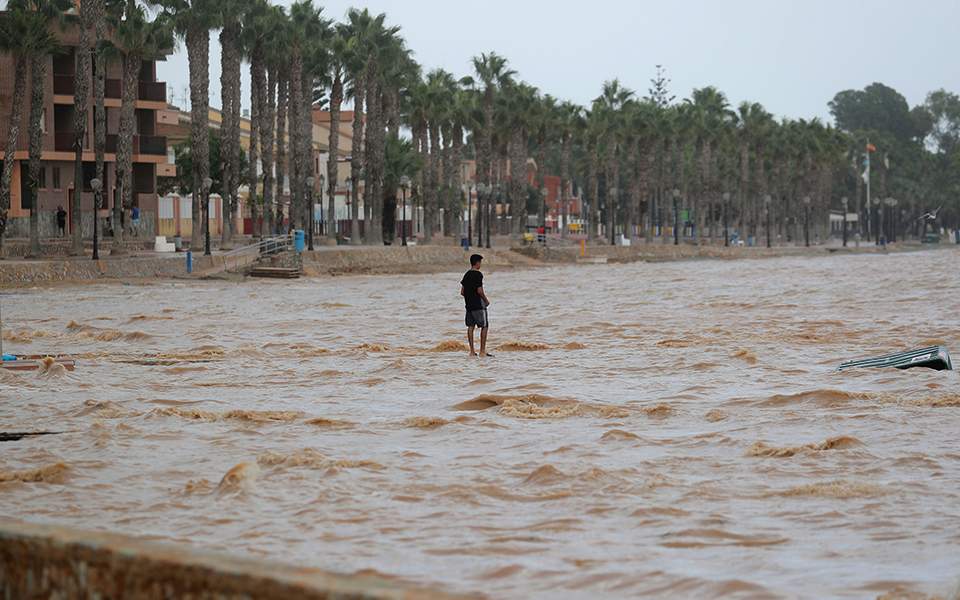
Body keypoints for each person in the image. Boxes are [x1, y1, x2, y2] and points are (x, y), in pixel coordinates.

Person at [460, 253, 492, 357]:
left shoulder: (467, 274)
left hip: (468, 306)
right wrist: (486, 301)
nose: (480, 264)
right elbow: (480, 291)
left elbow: (462, 292)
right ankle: (482, 351)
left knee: (470, 327)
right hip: (478, 305)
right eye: (480, 262)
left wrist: (469, 298)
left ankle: (472, 351)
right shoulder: (478, 274)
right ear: (477, 262)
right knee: (485, 326)